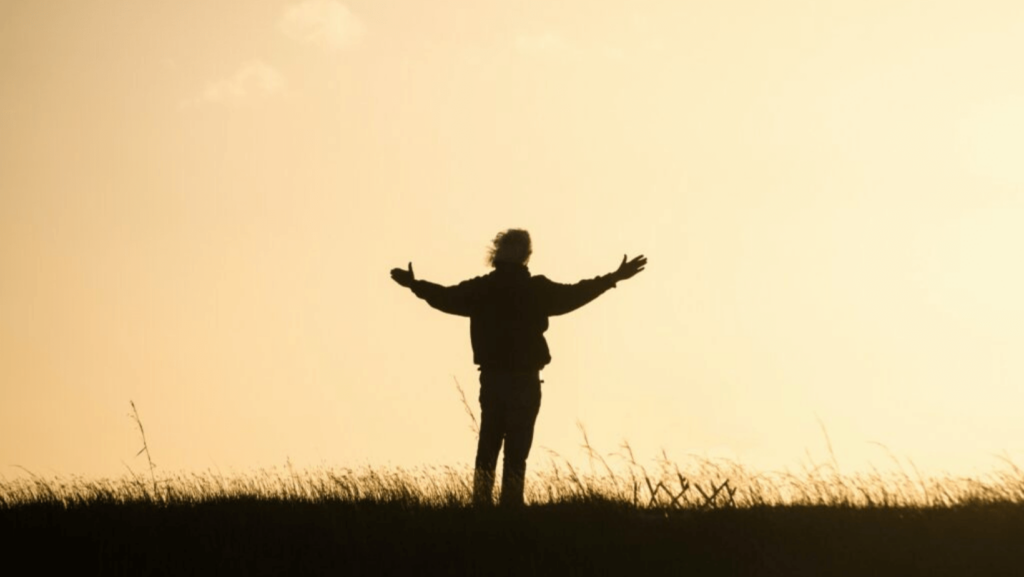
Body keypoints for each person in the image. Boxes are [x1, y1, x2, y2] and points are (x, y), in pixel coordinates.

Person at [390, 229, 646, 506]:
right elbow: (576, 294)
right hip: (524, 380)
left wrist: (415, 285)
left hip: (494, 379)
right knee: (516, 451)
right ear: (526, 255)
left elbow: (445, 297)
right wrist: (612, 279)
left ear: (496, 254)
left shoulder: (483, 289)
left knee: (488, 446)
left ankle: (481, 507)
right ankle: (510, 508)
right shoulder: (535, 290)